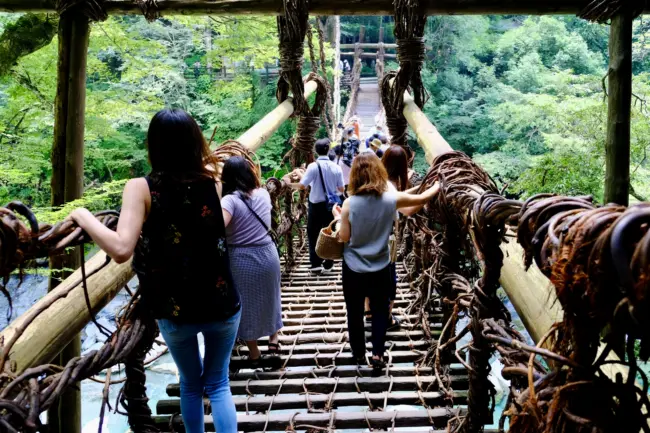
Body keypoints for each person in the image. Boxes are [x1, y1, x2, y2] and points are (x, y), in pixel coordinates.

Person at [69, 109, 240, 433]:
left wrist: (83, 215)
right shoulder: (213, 181)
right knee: (218, 384)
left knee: (191, 384)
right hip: (222, 302)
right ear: (196, 141)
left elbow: (121, 249)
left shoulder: (140, 188)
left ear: (153, 146)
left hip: (175, 311)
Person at [332, 152, 440, 373]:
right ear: (378, 172)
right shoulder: (391, 200)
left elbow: (343, 237)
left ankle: (359, 353)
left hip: (353, 269)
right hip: (380, 267)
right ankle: (378, 353)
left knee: (354, 311)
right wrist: (436, 184)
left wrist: (338, 217)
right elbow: (419, 200)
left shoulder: (349, 204)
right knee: (381, 311)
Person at [220, 156, 283, 366]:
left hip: (242, 259)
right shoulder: (263, 193)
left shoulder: (229, 201)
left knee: (245, 305)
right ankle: (274, 341)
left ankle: (255, 353)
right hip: (268, 253)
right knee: (272, 296)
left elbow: (217, 226)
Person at [284, 138, 344, 274]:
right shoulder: (336, 167)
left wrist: (288, 183)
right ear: (328, 150)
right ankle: (328, 264)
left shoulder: (312, 167)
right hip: (332, 206)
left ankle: (315, 264)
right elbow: (341, 190)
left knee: (313, 233)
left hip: (316, 206)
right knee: (331, 232)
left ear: (315, 152)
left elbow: (302, 186)